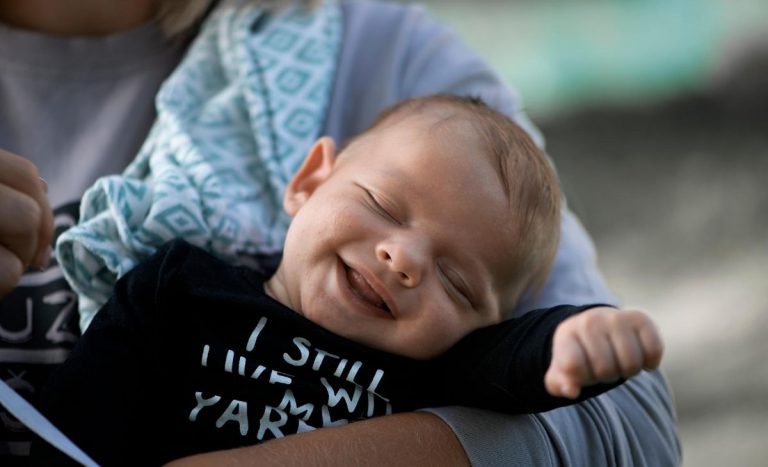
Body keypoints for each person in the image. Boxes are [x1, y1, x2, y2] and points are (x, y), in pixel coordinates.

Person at [0, 0, 680, 465]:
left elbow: (603, 410)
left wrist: (576, 335)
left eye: (457, 281)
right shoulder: (181, 291)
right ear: (306, 179)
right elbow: (73, 423)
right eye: (383, 203)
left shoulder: (435, 359)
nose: (405, 257)